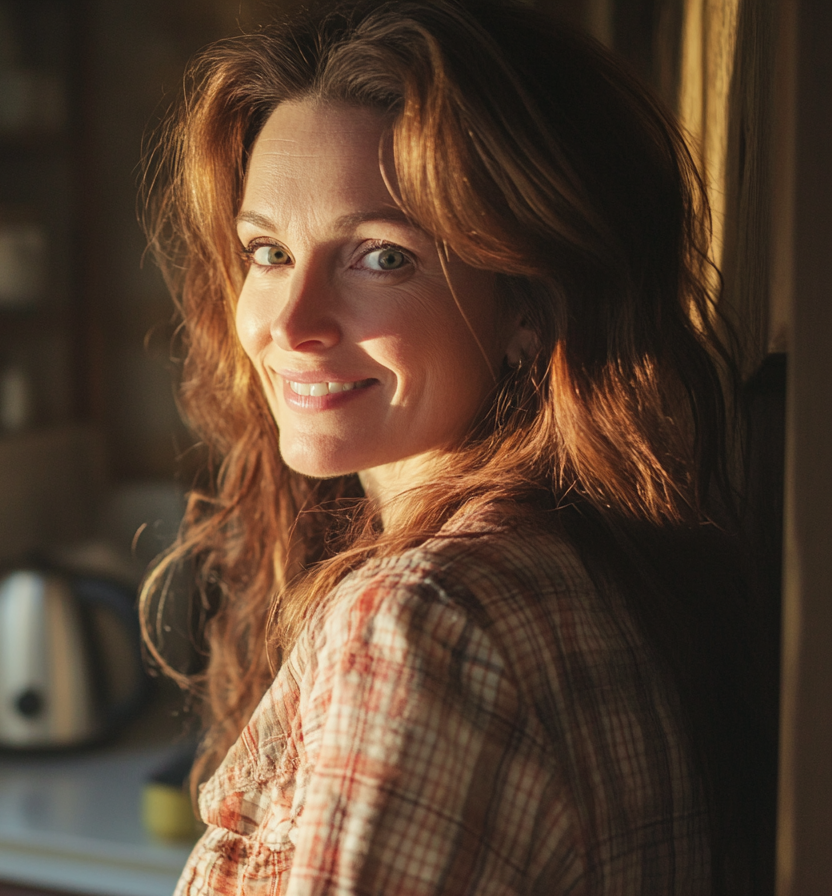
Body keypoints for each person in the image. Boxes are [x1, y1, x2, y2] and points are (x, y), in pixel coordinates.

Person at [140, 1, 775, 893]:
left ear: (528, 302)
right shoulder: (602, 570)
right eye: (269, 250)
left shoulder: (419, 626)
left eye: (380, 256)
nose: (291, 324)